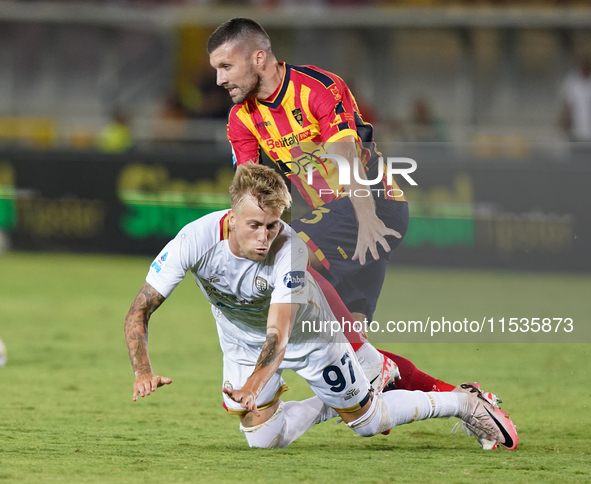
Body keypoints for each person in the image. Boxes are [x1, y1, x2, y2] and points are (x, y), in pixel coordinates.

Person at [205, 17, 508, 445]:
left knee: (286, 257)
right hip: (337, 227)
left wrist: (366, 219)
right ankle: (467, 400)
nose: (219, 79)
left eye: (225, 67)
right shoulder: (242, 119)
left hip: (374, 210)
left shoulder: (316, 88)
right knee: (353, 355)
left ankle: (291, 374)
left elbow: (348, 157)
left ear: (258, 57)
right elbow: (248, 189)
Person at [124, 163, 519, 450]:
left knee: (367, 422)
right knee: (263, 440)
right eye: (255, 225)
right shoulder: (193, 241)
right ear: (231, 217)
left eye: (273, 224)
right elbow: (139, 310)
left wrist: (253, 385)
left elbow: (279, 333)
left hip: (309, 334)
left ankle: (464, 402)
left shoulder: (289, 250)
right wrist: (143, 371)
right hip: (240, 338)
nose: (265, 237)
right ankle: (365, 375)